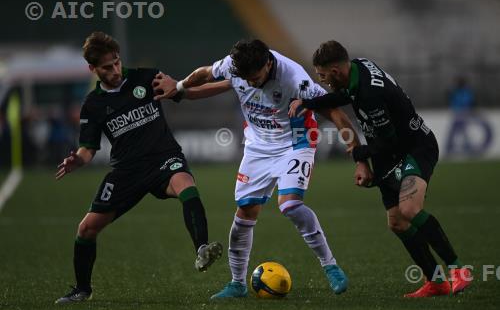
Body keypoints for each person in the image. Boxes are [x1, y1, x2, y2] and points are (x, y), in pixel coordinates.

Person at [153, 39, 361, 299]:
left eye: (256, 77)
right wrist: (180, 86)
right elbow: (205, 74)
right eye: (246, 78)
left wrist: (359, 156)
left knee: (290, 205)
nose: (251, 83)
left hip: (295, 141)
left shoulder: (295, 78)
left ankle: (330, 266)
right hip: (257, 146)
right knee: (244, 214)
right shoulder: (234, 65)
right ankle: (237, 284)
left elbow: (336, 113)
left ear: (268, 63)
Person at [289, 40, 472, 298]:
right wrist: (309, 103)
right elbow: (344, 96)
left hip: (414, 148)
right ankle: (436, 282)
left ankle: (457, 270)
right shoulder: (359, 67)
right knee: (397, 222)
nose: (323, 81)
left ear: (335, 71)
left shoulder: (370, 94)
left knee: (409, 209)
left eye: (323, 76)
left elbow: (388, 141)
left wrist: (358, 154)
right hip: (390, 153)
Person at [54, 32, 222, 304]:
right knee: (86, 229)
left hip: (163, 157)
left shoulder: (147, 78)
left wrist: (231, 85)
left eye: (117, 62)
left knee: (187, 188)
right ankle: (82, 289)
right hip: (127, 172)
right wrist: (78, 160)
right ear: (93, 69)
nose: (115, 70)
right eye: (107, 67)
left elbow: (187, 93)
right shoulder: (93, 105)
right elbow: (88, 150)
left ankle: (202, 247)